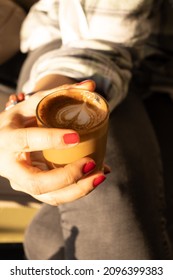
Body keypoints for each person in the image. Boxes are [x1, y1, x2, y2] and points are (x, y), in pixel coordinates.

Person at [0, 0, 173, 259]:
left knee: (49, 241)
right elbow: (100, 45)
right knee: (110, 194)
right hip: (68, 44)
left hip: (161, 79)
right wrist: (52, 96)